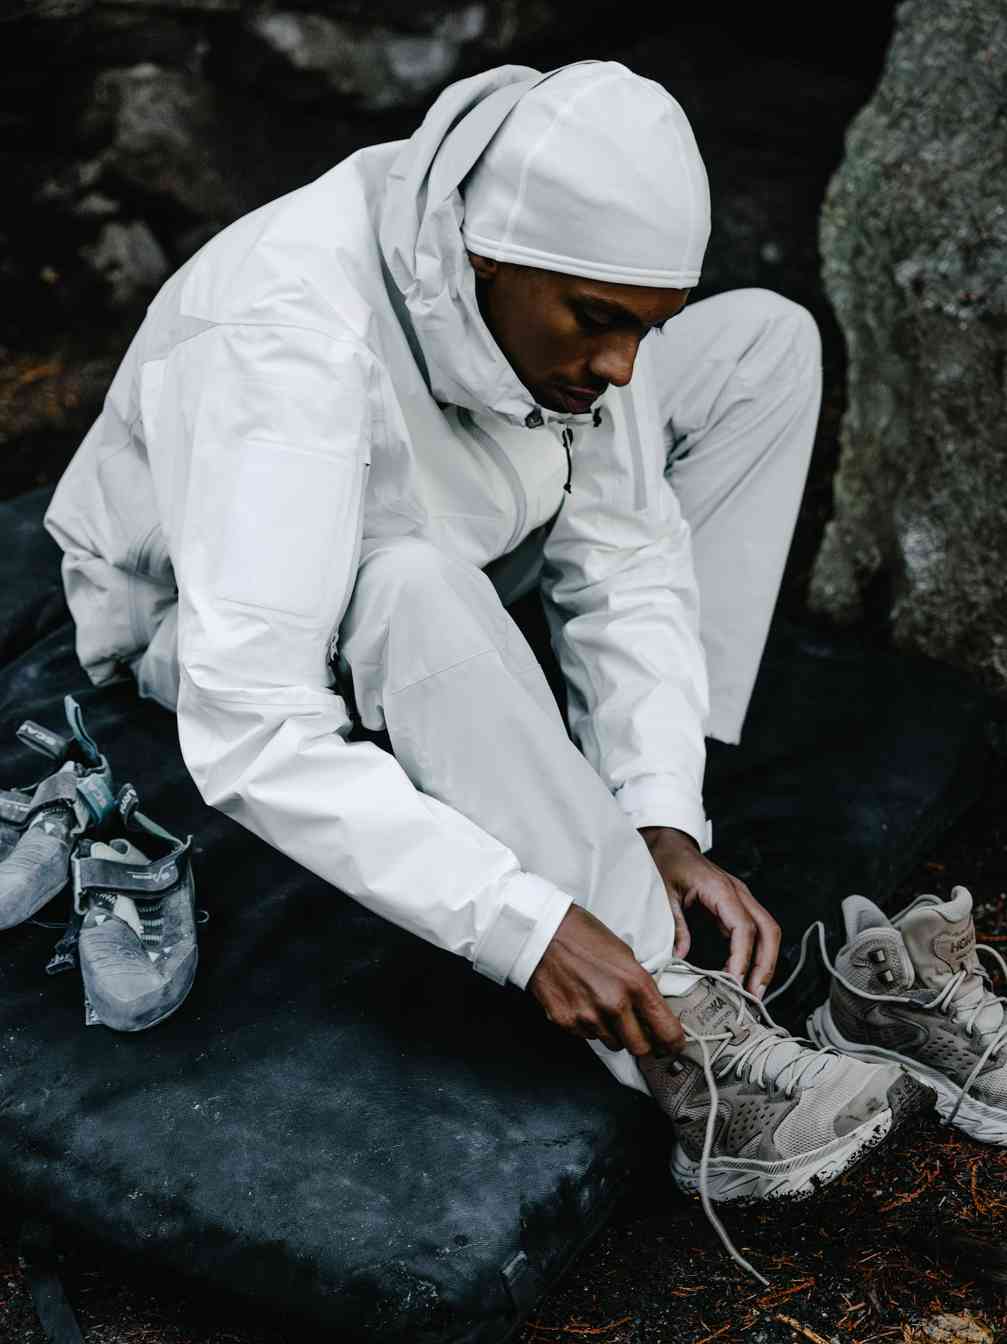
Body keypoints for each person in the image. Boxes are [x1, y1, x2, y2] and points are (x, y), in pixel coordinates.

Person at [43, 60, 933, 1219]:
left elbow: (623, 551)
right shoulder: (285, 338)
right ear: (483, 259)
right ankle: (680, 1035)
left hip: (463, 519)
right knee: (412, 586)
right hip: (214, 606)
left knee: (763, 343)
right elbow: (253, 725)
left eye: (643, 326)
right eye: (598, 321)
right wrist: (523, 924)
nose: (620, 366)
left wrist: (658, 806)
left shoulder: (537, 279)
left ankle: (631, 828)